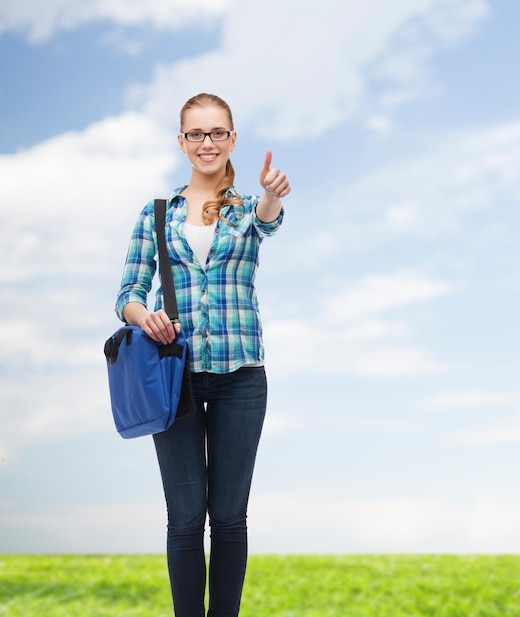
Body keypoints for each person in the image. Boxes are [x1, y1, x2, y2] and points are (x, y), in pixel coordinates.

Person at [115, 92, 290, 617]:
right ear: (182, 141)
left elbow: (267, 221)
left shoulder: (244, 208)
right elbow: (128, 291)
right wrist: (142, 316)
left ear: (232, 139)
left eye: (217, 133)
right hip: (177, 382)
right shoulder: (157, 213)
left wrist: (271, 196)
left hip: (241, 377)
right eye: (196, 133)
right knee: (187, 518)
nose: (207, 143)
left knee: (230, 516)